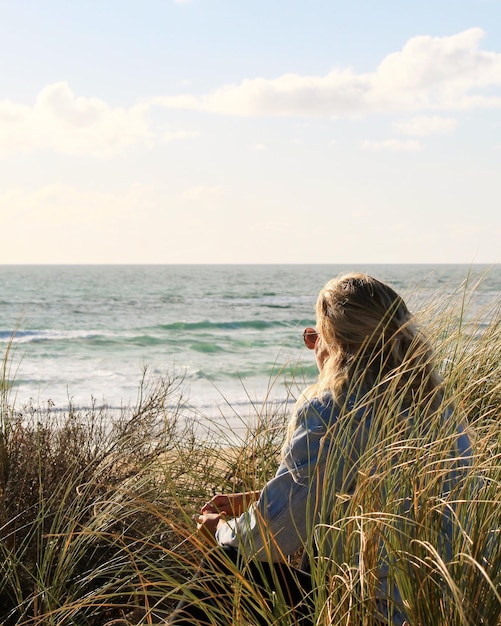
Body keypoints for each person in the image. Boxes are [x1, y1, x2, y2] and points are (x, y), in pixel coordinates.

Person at [165, 273, 474, 625]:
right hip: (444, 608)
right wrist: (254, 498)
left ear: (334, 345)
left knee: (226, 559)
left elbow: (263, 540)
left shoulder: (331, 411)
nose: (313, 349)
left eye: (314, 338)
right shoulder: (440, 410)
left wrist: (218, 530)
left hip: (366, 612)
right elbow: (357, 493)